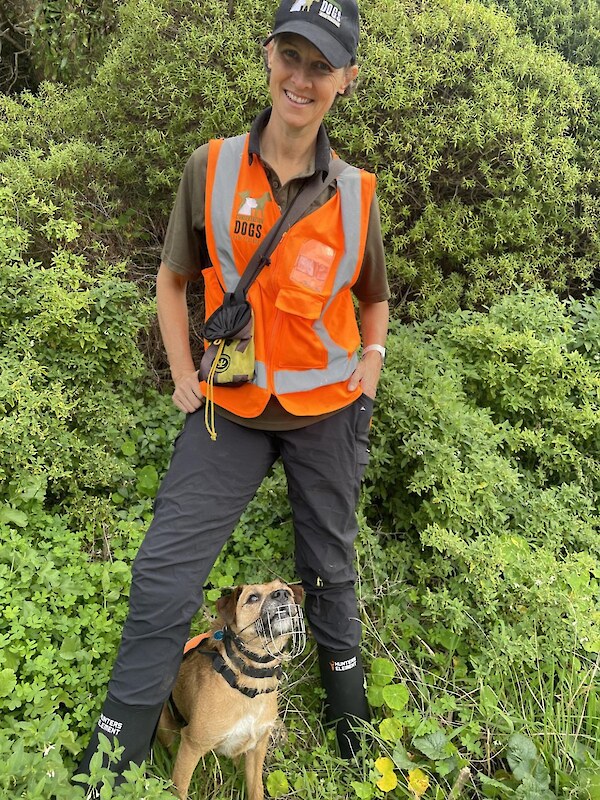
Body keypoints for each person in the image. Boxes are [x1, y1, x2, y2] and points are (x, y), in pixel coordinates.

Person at [75, 0, 389, 786]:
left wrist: (372, 359)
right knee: (164, 575)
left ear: (345, 80)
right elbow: (173, 278)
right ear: (269, 57)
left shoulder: (356, 194)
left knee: (331, 570)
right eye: (292, 56)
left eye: (322, 65)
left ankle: (353, 748)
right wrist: (183, 372)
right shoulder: (209, 168)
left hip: (326, 417)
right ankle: (110, 756)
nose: (302, 78)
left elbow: (375, 297)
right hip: (231, 413)